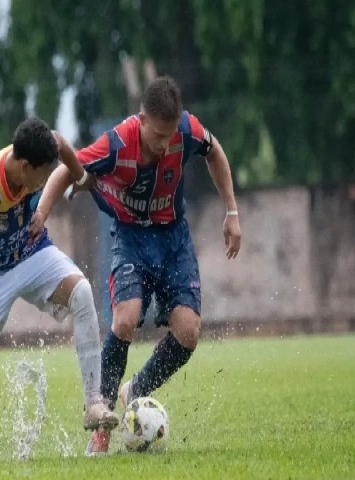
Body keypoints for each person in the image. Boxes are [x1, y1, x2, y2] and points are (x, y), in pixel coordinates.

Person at [31, 75, 242, 455]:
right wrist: (42, 214)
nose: (164, 145)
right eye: (157, 136)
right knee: (125, 320)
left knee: (189, 332)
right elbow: (69, 165)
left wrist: (231, 211)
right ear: (141, 120)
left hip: (174, 239)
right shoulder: (117, 142)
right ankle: (104, 419)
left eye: (170, 135)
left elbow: (216, 152)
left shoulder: (187, 130)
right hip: (131, 238)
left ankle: (136, 390)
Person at [0, 117, 119, 464]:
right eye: (42, 175)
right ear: (24, 166)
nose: (46, 181)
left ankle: (94, 402)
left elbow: (61, 143)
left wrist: (80, 178)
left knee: (81, 293)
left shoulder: (39, 151)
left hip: (32, 252)